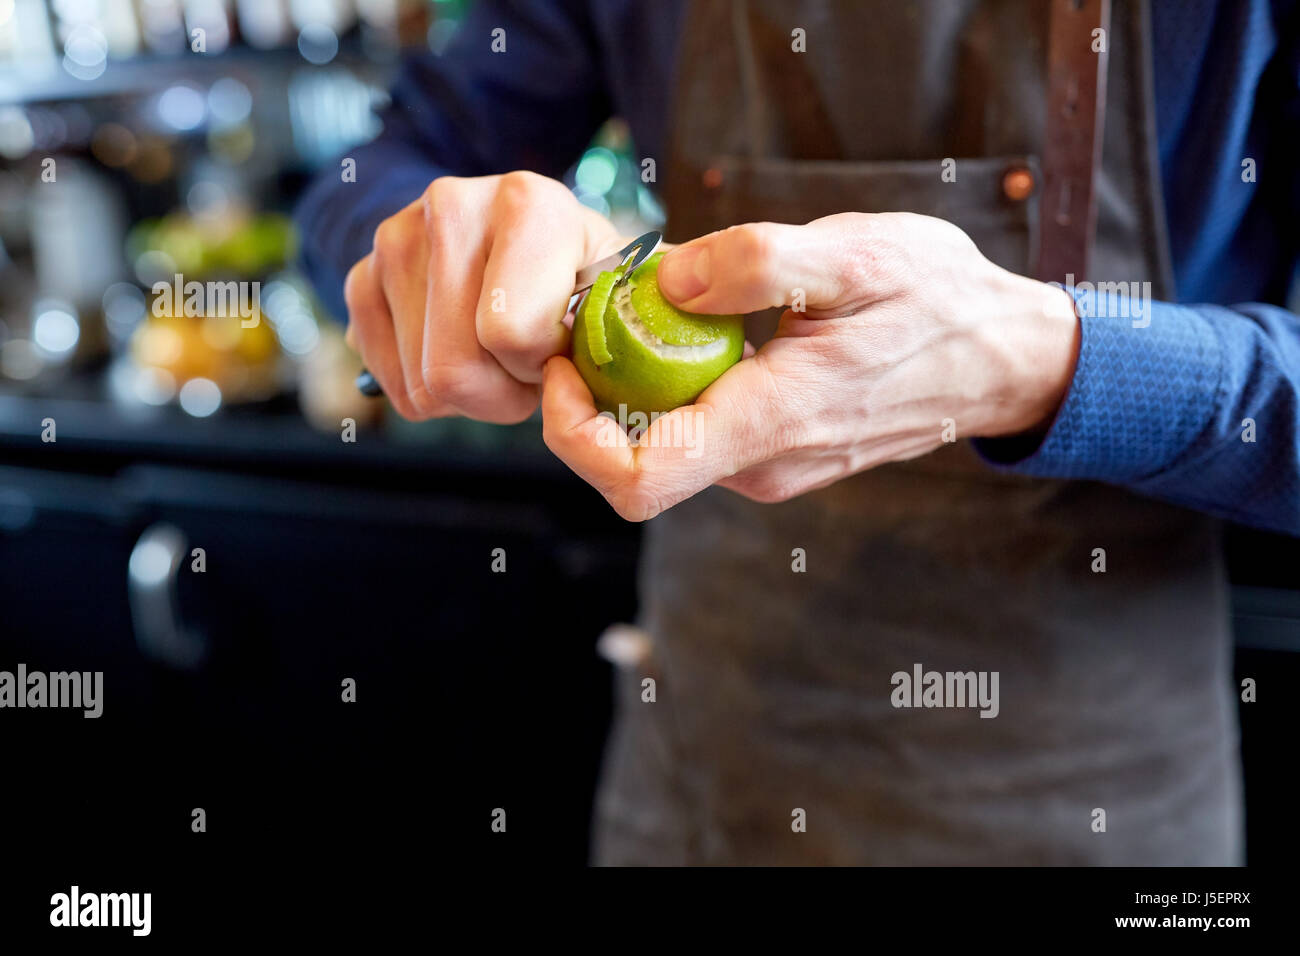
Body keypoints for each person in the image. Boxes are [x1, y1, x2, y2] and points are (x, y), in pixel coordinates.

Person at [296, 0, 1300, 864]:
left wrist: (1050, 358)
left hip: (1100, 794)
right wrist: (434, 248)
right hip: (711, 776)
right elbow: (375, 173)